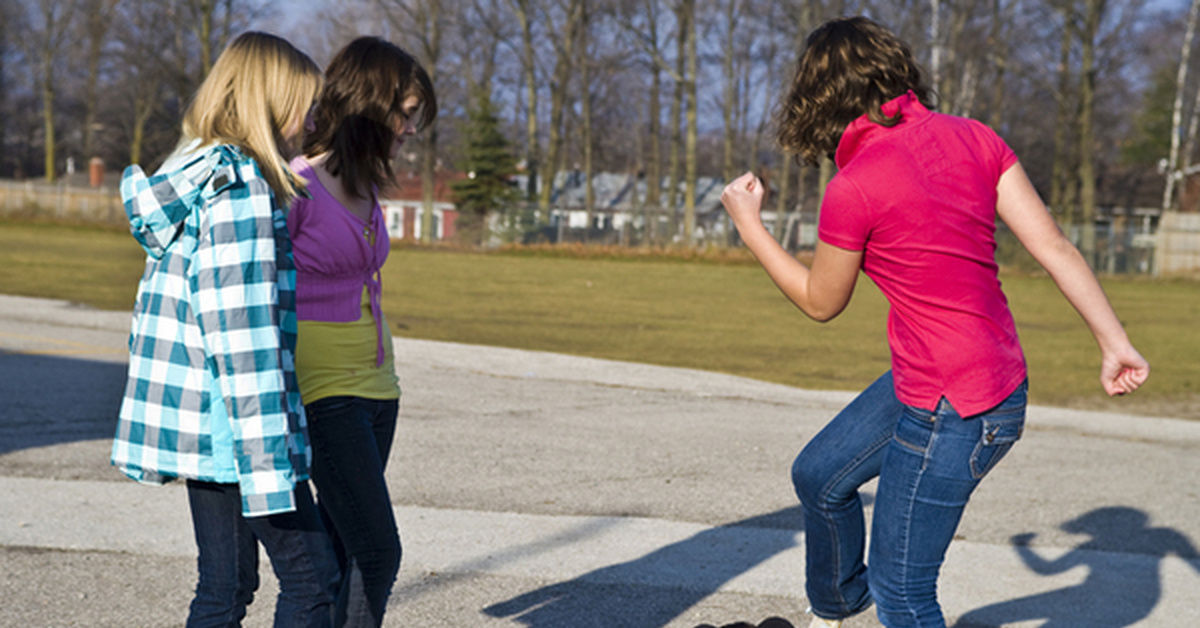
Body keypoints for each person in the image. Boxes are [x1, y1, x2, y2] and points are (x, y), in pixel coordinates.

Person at [720, 16, 1150, 628]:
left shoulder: (855, 185)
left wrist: (749, 226)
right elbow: (1055, 247)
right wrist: (1116, 343)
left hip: (958, 408)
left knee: (904, 594)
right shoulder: (976, 136)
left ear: (820, 99)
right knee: (820, 476)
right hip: (959, 378)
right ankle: (838, 609)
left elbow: (821, 302)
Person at [111, 32, 338, 628]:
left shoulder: (194, 171)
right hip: (239, 429)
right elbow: (242, 332)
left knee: (223, 586)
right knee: (314, 581)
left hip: (204, 425)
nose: (313, 122)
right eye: (305, 105)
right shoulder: (241, 188)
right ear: (269, 102)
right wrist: (271, 460)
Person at [287, 36, 437, 627]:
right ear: (369, 105)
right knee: (379, 551)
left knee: (342, 551)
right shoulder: (296, 185)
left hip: (378, 384)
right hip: (323, 388)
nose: (409, 129)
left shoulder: (368, 186)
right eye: (403, 113)